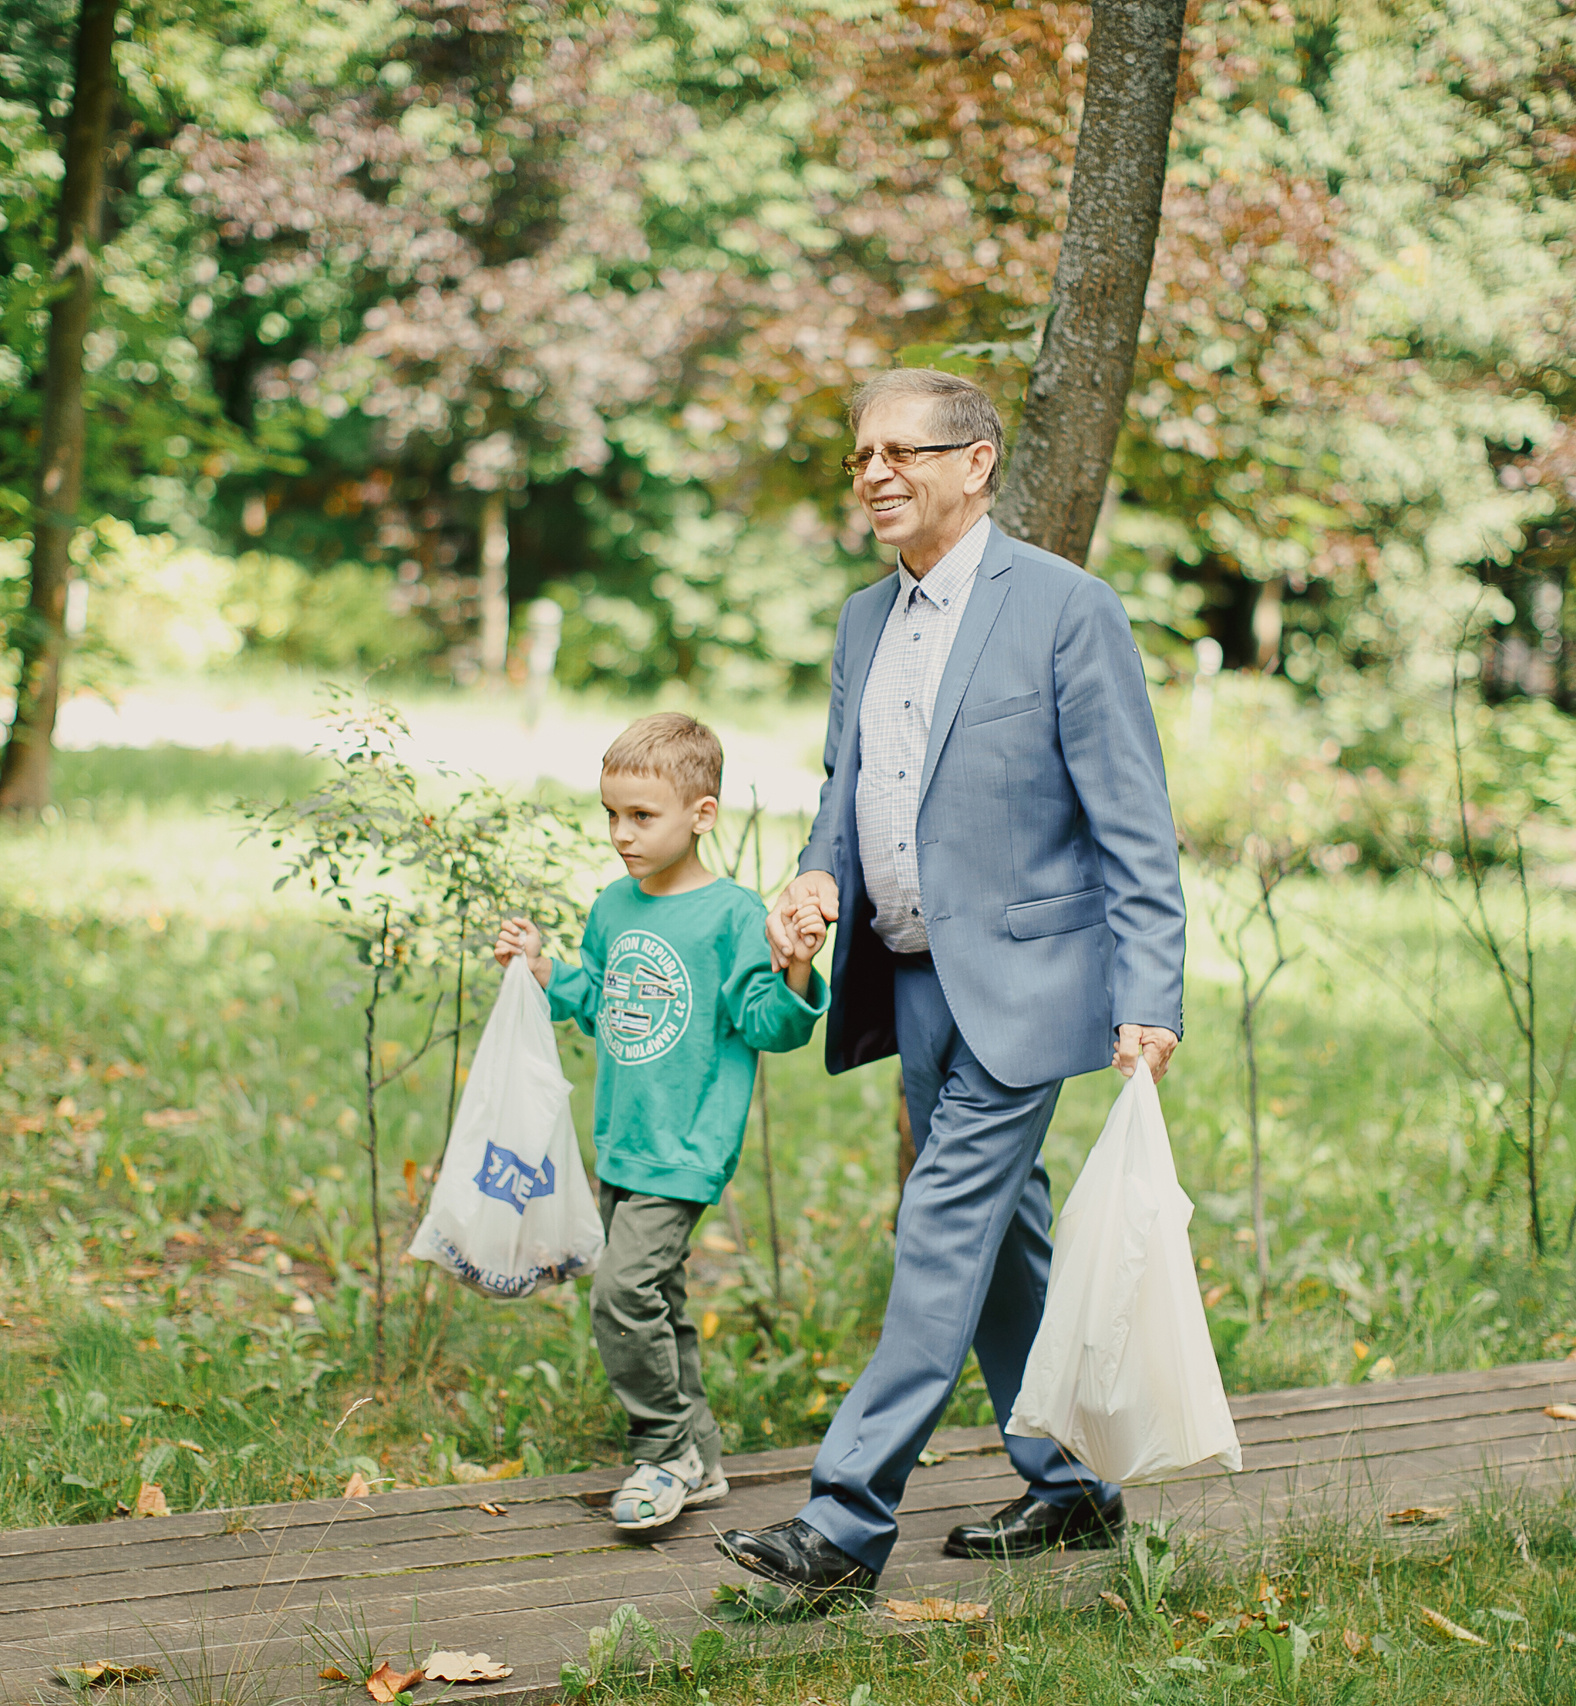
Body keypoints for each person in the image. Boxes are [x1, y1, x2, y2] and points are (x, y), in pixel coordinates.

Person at [714, 368, 1187, 1601]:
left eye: (901, 452)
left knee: (938, 1230)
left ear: (974, 463)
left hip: (1028, 979)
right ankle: (1071, 1479)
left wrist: (1152, 991)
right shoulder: (862, 620)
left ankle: (842, 1524)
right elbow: (844, 788)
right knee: (1004, 1237)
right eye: (859, 454)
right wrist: (816, 882)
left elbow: (1134, 821)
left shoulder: (1068, 609)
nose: (874, 473)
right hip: (910, 979)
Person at [496, 712, 830, 1532]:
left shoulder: (730, 916)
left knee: (621, 1292)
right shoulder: (613, 906)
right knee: (660, 1299)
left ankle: (663, 1449)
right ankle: (703, 1458)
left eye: (641, 816)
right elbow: (600, 999)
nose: (620, 833)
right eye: (611, 814)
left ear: (701, 815)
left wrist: (794, 964)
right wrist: (545, 973)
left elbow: (769, 1025)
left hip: (686, 1147)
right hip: (623, 1139)